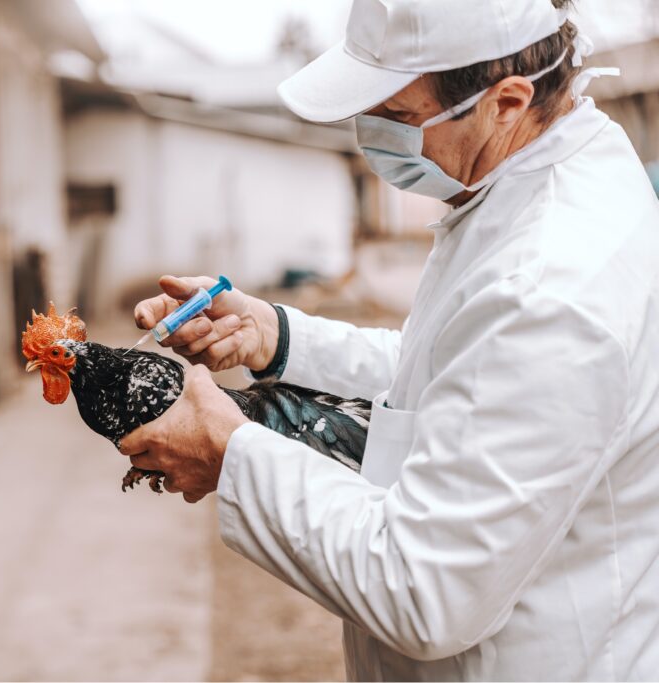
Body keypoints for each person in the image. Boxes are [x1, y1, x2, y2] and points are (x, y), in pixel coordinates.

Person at [119, 0, 659, 679]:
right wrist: (278, 337)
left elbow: (426, 590)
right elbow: (456, 376)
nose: (369, 136)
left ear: (507, 101)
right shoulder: (518, 182)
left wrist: (233, 455)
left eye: (398, 117)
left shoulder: (553, 283)